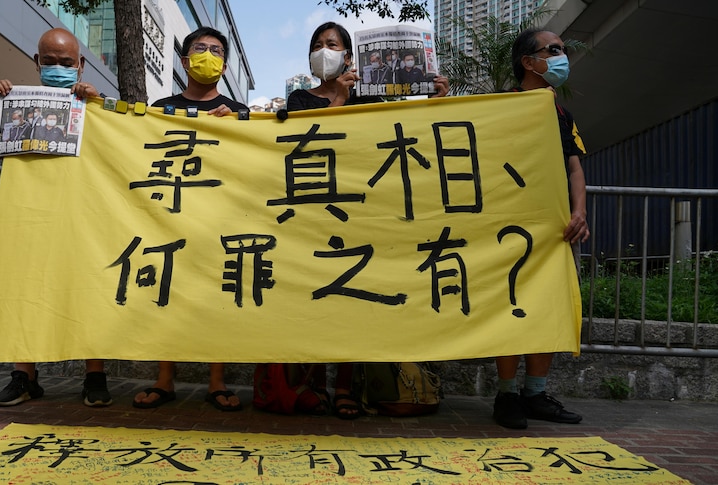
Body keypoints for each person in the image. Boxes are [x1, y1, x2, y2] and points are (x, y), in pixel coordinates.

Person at [280, 22, 449, 420]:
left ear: (351, 57)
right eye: (318, 45)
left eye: (333, 44)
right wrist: (337, 100)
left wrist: (440, 102)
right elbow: (307, 143)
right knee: (318, 298)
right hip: (314, 214)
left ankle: (345, 387)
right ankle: (315, 385)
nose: (325, 50)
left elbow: (405, 137)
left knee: (355, 303)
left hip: (360, 216)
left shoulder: (369, 99)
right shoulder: (300, 99)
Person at [0, 28, 108, 407]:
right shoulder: (14, 101)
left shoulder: (90, 102)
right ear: (36, 62)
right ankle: (24, 374)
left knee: (86, 286)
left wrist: (98, 105)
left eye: (66, 63)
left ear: (80, 66)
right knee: (24, 285)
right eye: (48, 61)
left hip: (81, 208)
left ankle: (95, 374)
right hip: (28, 209)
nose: (57, 68)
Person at [132, 27, 246, 413]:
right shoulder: (161, 108)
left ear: (225, 65)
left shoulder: (238, 112)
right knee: (166, 295)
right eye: (200, 49)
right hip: (169, 218)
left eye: (216, 51)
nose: (208, 56)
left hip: (219, 220)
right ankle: (165, 378)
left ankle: (217, 380)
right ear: (184, 60)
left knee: (216, 298)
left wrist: (236, 127)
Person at [491, 28, 589, 429]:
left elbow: (574, 167)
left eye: (562, 50)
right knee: (511, 307)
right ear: (527, 63)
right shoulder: (503, 106)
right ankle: (506, 395)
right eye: (553, 50)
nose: (562, 56)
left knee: (546, 308)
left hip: (553, 231)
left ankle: (536, 392)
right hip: (508, 228)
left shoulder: (563, 114)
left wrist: (579, 212)